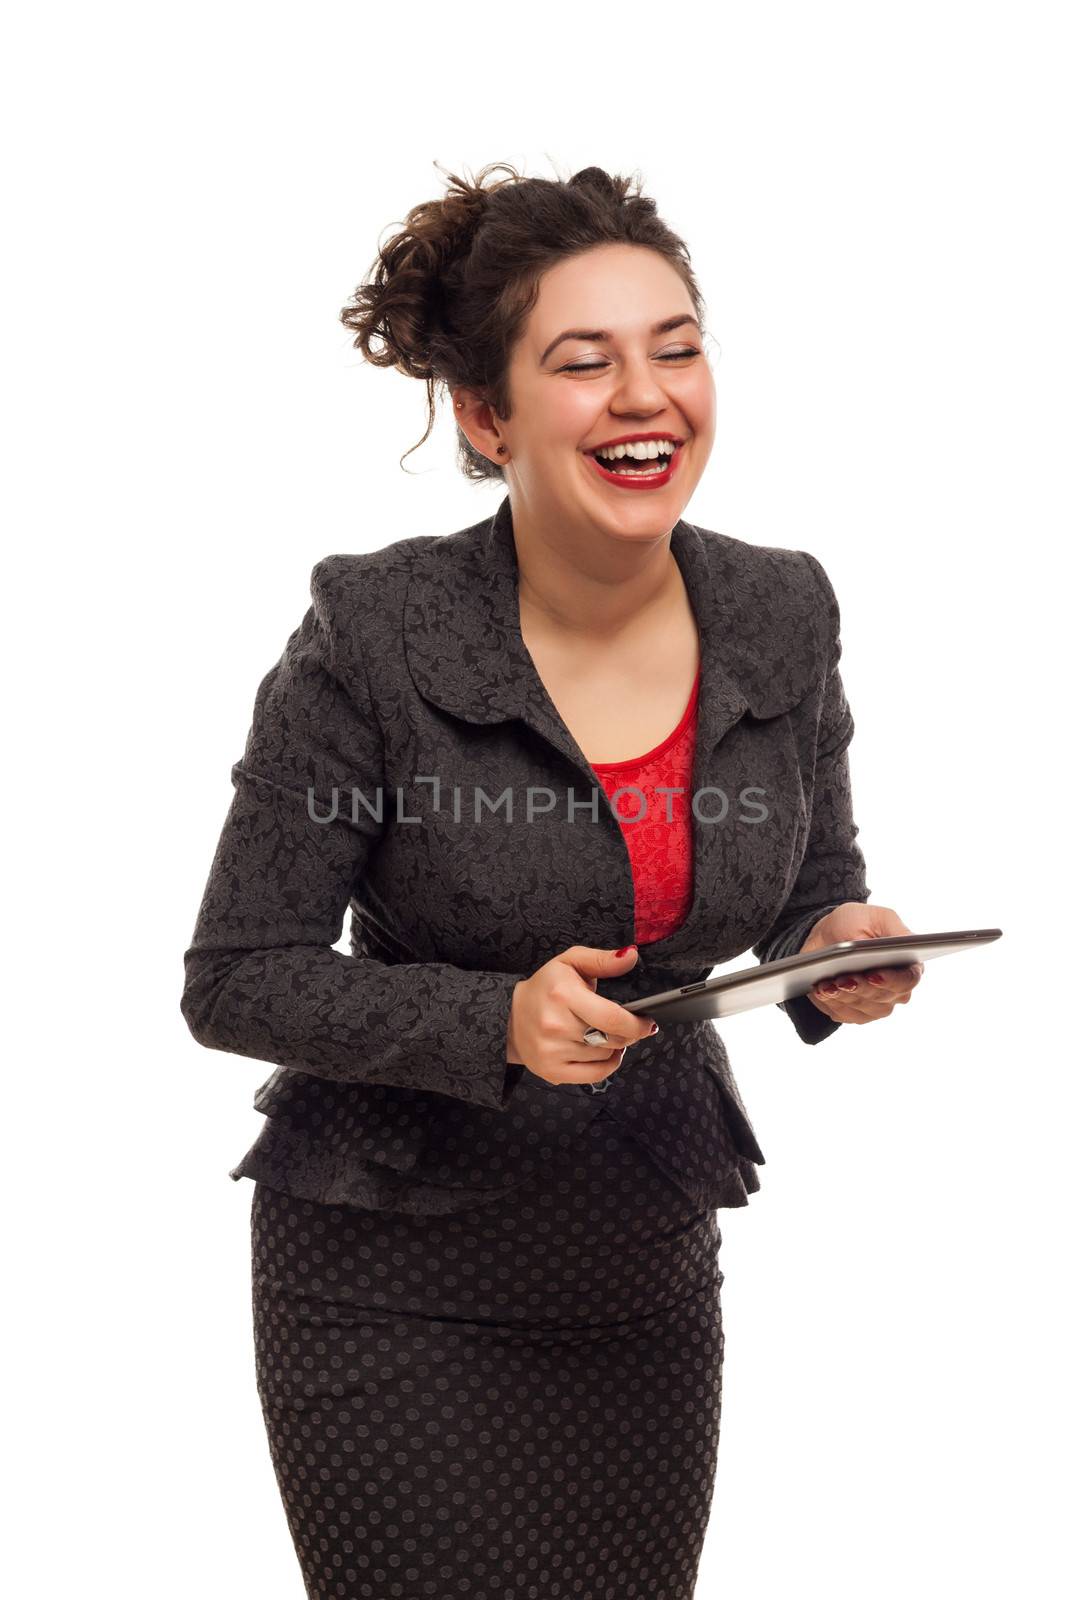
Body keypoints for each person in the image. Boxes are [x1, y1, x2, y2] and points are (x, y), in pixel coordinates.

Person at [180, 161, 922, 1600]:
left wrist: (836, 937)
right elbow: (238, 975)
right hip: (391, 1274)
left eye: (679, 346)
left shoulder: (782, 607)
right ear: (486, 414)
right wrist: (489, 1024)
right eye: (586, 363)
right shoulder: (377, 631)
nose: (648, 395)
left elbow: (809, 870)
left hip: (638, 1256)